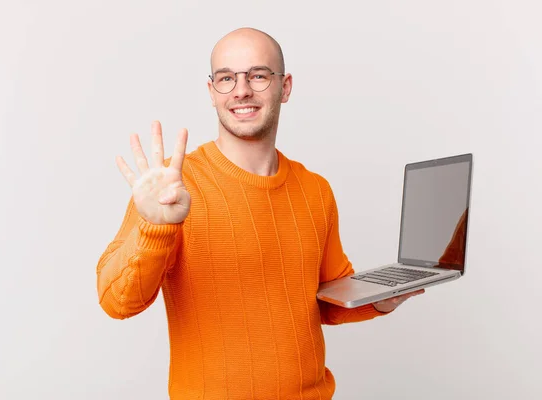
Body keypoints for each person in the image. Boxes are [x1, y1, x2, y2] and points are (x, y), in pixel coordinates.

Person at [96, 27, 424, 400]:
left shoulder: (315, 189)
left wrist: (381, 298)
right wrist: (155, 228)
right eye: (226, 78)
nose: (241, 90)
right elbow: (117, 302)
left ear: (284, 87)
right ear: (211, 92)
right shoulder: (171, 186)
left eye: (257, 75)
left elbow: (324, 300)